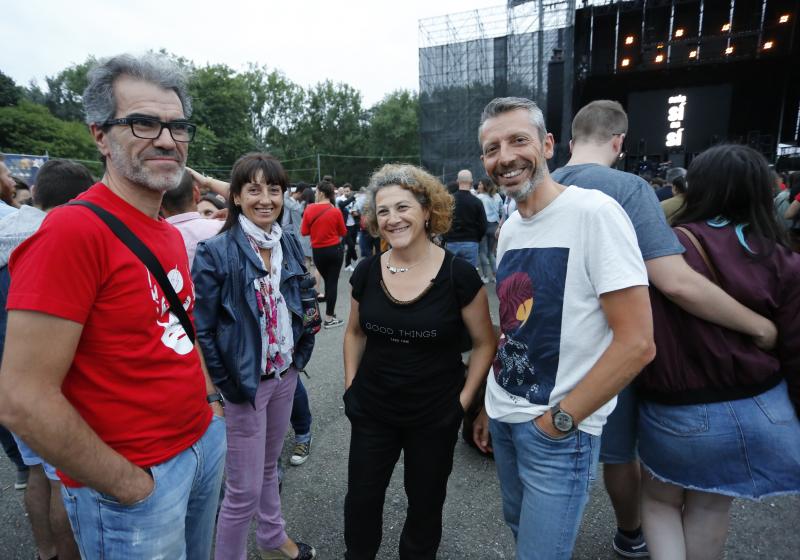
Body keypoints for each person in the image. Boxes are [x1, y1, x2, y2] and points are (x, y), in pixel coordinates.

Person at [0, 53, 226, 558]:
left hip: (200, 445)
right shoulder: (71, 232)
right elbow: (21, 397)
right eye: (143, 123)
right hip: (137, 482)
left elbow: (172, 331)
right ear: (100, 135)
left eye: (177, 126)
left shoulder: (164, 229)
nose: (167, 140)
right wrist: (127, 485)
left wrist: (210, 411)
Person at [549, 99, 779, 558]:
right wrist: (760, 327)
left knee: (558, 445)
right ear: (619, 142)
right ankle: (629, 532)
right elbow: (674, 281)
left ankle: (563, 536)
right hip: (616, 344)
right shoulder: (630, 188)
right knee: (622, 453)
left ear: (571, 143)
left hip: (547, 344)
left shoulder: (541, 187)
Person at [473, 97, 656, 560]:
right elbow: (515, 326)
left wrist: (561, 421)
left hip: (558, 430)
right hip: (506, 416)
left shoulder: (595, 213)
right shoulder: (511, 227)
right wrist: (487, 407)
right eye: (492, 148)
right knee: (519, 529)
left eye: (518, 140)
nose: (505, 156)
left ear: (548, 145)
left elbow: (637, 343)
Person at [636, 145, 800, 559]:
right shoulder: (782, 256)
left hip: (676, 405)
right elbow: (794, 344)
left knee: (659, 501)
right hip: (759, 402)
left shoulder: (666, 247)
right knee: (711, 502)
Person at [342, 163, 495, 560]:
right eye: (384, 211)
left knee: (425, 506)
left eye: (403, 207)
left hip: (434, 414)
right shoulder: (367, 270)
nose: (393, 219)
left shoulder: (459, 275)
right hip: (373, 410)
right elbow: (355, 332)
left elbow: (484, 343)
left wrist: (462, 403)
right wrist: (350, 387)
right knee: (361, 501)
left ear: (427, 210)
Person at [193, 153, 317, 560]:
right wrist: (222, 389)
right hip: (244, 385)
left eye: (274, 189)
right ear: (238, 196)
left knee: (268, 468)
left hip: (284, 375)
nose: (266, 199)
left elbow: (303, 300)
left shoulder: (288, 242)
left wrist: (299, 355)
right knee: (241, 493)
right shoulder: (216, 250)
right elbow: (204, 328)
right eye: (254, 189)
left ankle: (272, 539)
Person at [0, 158, 93, 560]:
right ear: (85, 197)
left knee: (34, 470)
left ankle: (45, 552)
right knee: (64, 482)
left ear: (37, 194)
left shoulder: (12, 228)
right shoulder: (55, 237)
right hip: (47, 382)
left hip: (8, 378)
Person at [301, 181, 346, 328]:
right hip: (334, 249)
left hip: (318, 251)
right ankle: (329, 318)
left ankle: (329, 315)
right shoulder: (335, 211)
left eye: (316, 192)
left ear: (321, 192)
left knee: (328, 281)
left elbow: (304, 231)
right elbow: (343, 232)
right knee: (332, 283)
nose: (315, 194)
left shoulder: (309, 209)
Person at [161, 171, 222, 265]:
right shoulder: (223, 229)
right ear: (197, 193)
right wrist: (207, 181)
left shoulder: (148, 240)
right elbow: (242, 196)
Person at [442, 169, 486, 267]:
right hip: (471, 242)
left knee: (452, 273)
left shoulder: (449, 201)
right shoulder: (477, 202)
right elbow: (483, 225)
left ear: (457, 181)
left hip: (452, 242)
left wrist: (446, 238)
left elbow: (443, 221)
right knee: (470, 274)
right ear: (471, 182)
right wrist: (476, 238)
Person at [476, 176, 502, 283]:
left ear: (484, 185)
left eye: (480, 183)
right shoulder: (497, 196)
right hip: (495, 226)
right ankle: (496, 276)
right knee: (491, 252)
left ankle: (485, 276)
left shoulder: (479, 197)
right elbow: (502, 211)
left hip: (483, 226)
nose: (478, 185)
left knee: (482, 252)